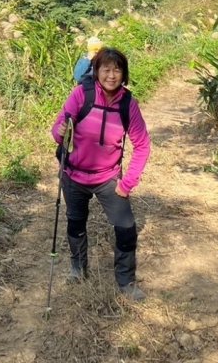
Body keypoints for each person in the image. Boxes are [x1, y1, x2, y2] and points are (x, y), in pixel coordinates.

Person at [51, 47, 151, 301]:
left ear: (124, 74)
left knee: (126, 228)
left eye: (117, 70)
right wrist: (60, 132)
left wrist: (127, 183)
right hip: (74, 174)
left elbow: (142, 145)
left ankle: (126, 282)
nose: (111, 75)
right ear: (96, 71)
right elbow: (59, 130)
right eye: (106, 69)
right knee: (75, 223)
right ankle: (78, 269)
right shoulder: (81, 94)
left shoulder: (128, 104)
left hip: (108, 177)